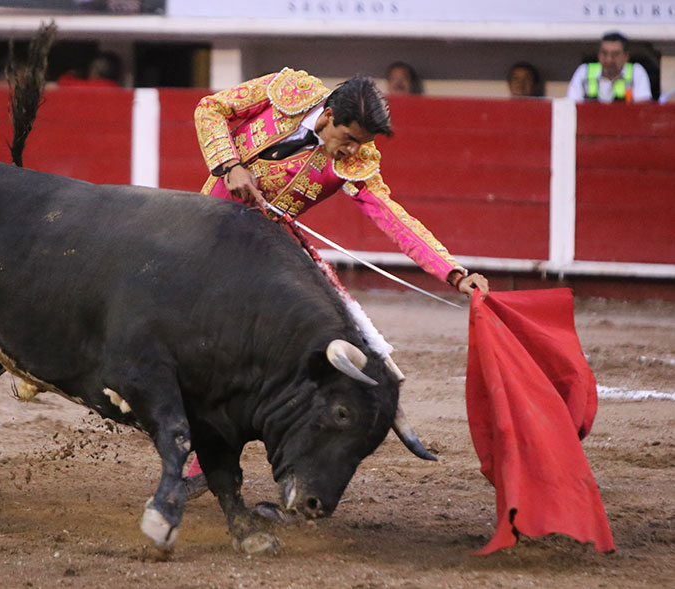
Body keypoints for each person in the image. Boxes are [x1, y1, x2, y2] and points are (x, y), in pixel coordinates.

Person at [186, 68, 489, 493]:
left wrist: (453, 272)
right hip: (204, 235)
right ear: (327, 116)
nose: (351, 150)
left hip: (265, 257)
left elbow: (395, 219)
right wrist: (230, 165)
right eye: (348, 139)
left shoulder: (357, 162)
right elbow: (211, 107)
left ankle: (209, 461)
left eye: (360, 144)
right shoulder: (289, 92)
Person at [566, 32, 652, 103]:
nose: (609, 60)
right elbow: (571, 105)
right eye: (604, 54)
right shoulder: (584, 71)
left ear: (626, 57)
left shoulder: (636, 72)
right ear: (599, 55)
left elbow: (643, 108)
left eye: (615, 55)